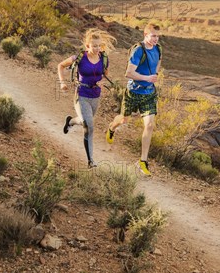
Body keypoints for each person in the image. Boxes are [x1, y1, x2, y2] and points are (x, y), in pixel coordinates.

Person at [106, 22, 162, 176]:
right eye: (153, 36)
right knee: (123, 120)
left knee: (149, 125)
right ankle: (111, 127)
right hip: (133, 92)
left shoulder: (158, 48)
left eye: (158, 36)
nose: (156, 39)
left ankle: (143, 161)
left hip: (149, 94)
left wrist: (155, 75)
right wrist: (147, 77)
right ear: (146, 35)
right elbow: (129, 73)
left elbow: (158, 62)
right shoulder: (138, 50)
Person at [57, 28, 116, 168]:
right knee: (89, 126)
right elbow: (60, 65)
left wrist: (103, 82)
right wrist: (62, 83)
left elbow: (106, 76)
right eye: (94, 46)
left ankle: (70, 121)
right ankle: (91, 161)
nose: (97, 48)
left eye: (99, 46)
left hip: (96, 96)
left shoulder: (104, 59)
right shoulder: (79, 58)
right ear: (87, 46)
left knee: (85, 122)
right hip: (82, 94)